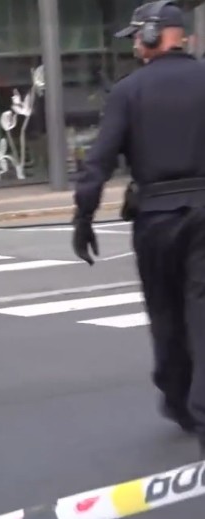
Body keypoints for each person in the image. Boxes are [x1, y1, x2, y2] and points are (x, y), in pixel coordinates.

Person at [71, 0, 205, 453]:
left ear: (154, 35)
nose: (133, 45)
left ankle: (179, 397)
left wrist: (83, 215)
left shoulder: (129, 91)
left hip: (157, 219)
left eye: (136, 36)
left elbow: (100, 160)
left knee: (166, 315)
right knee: (201, 313)